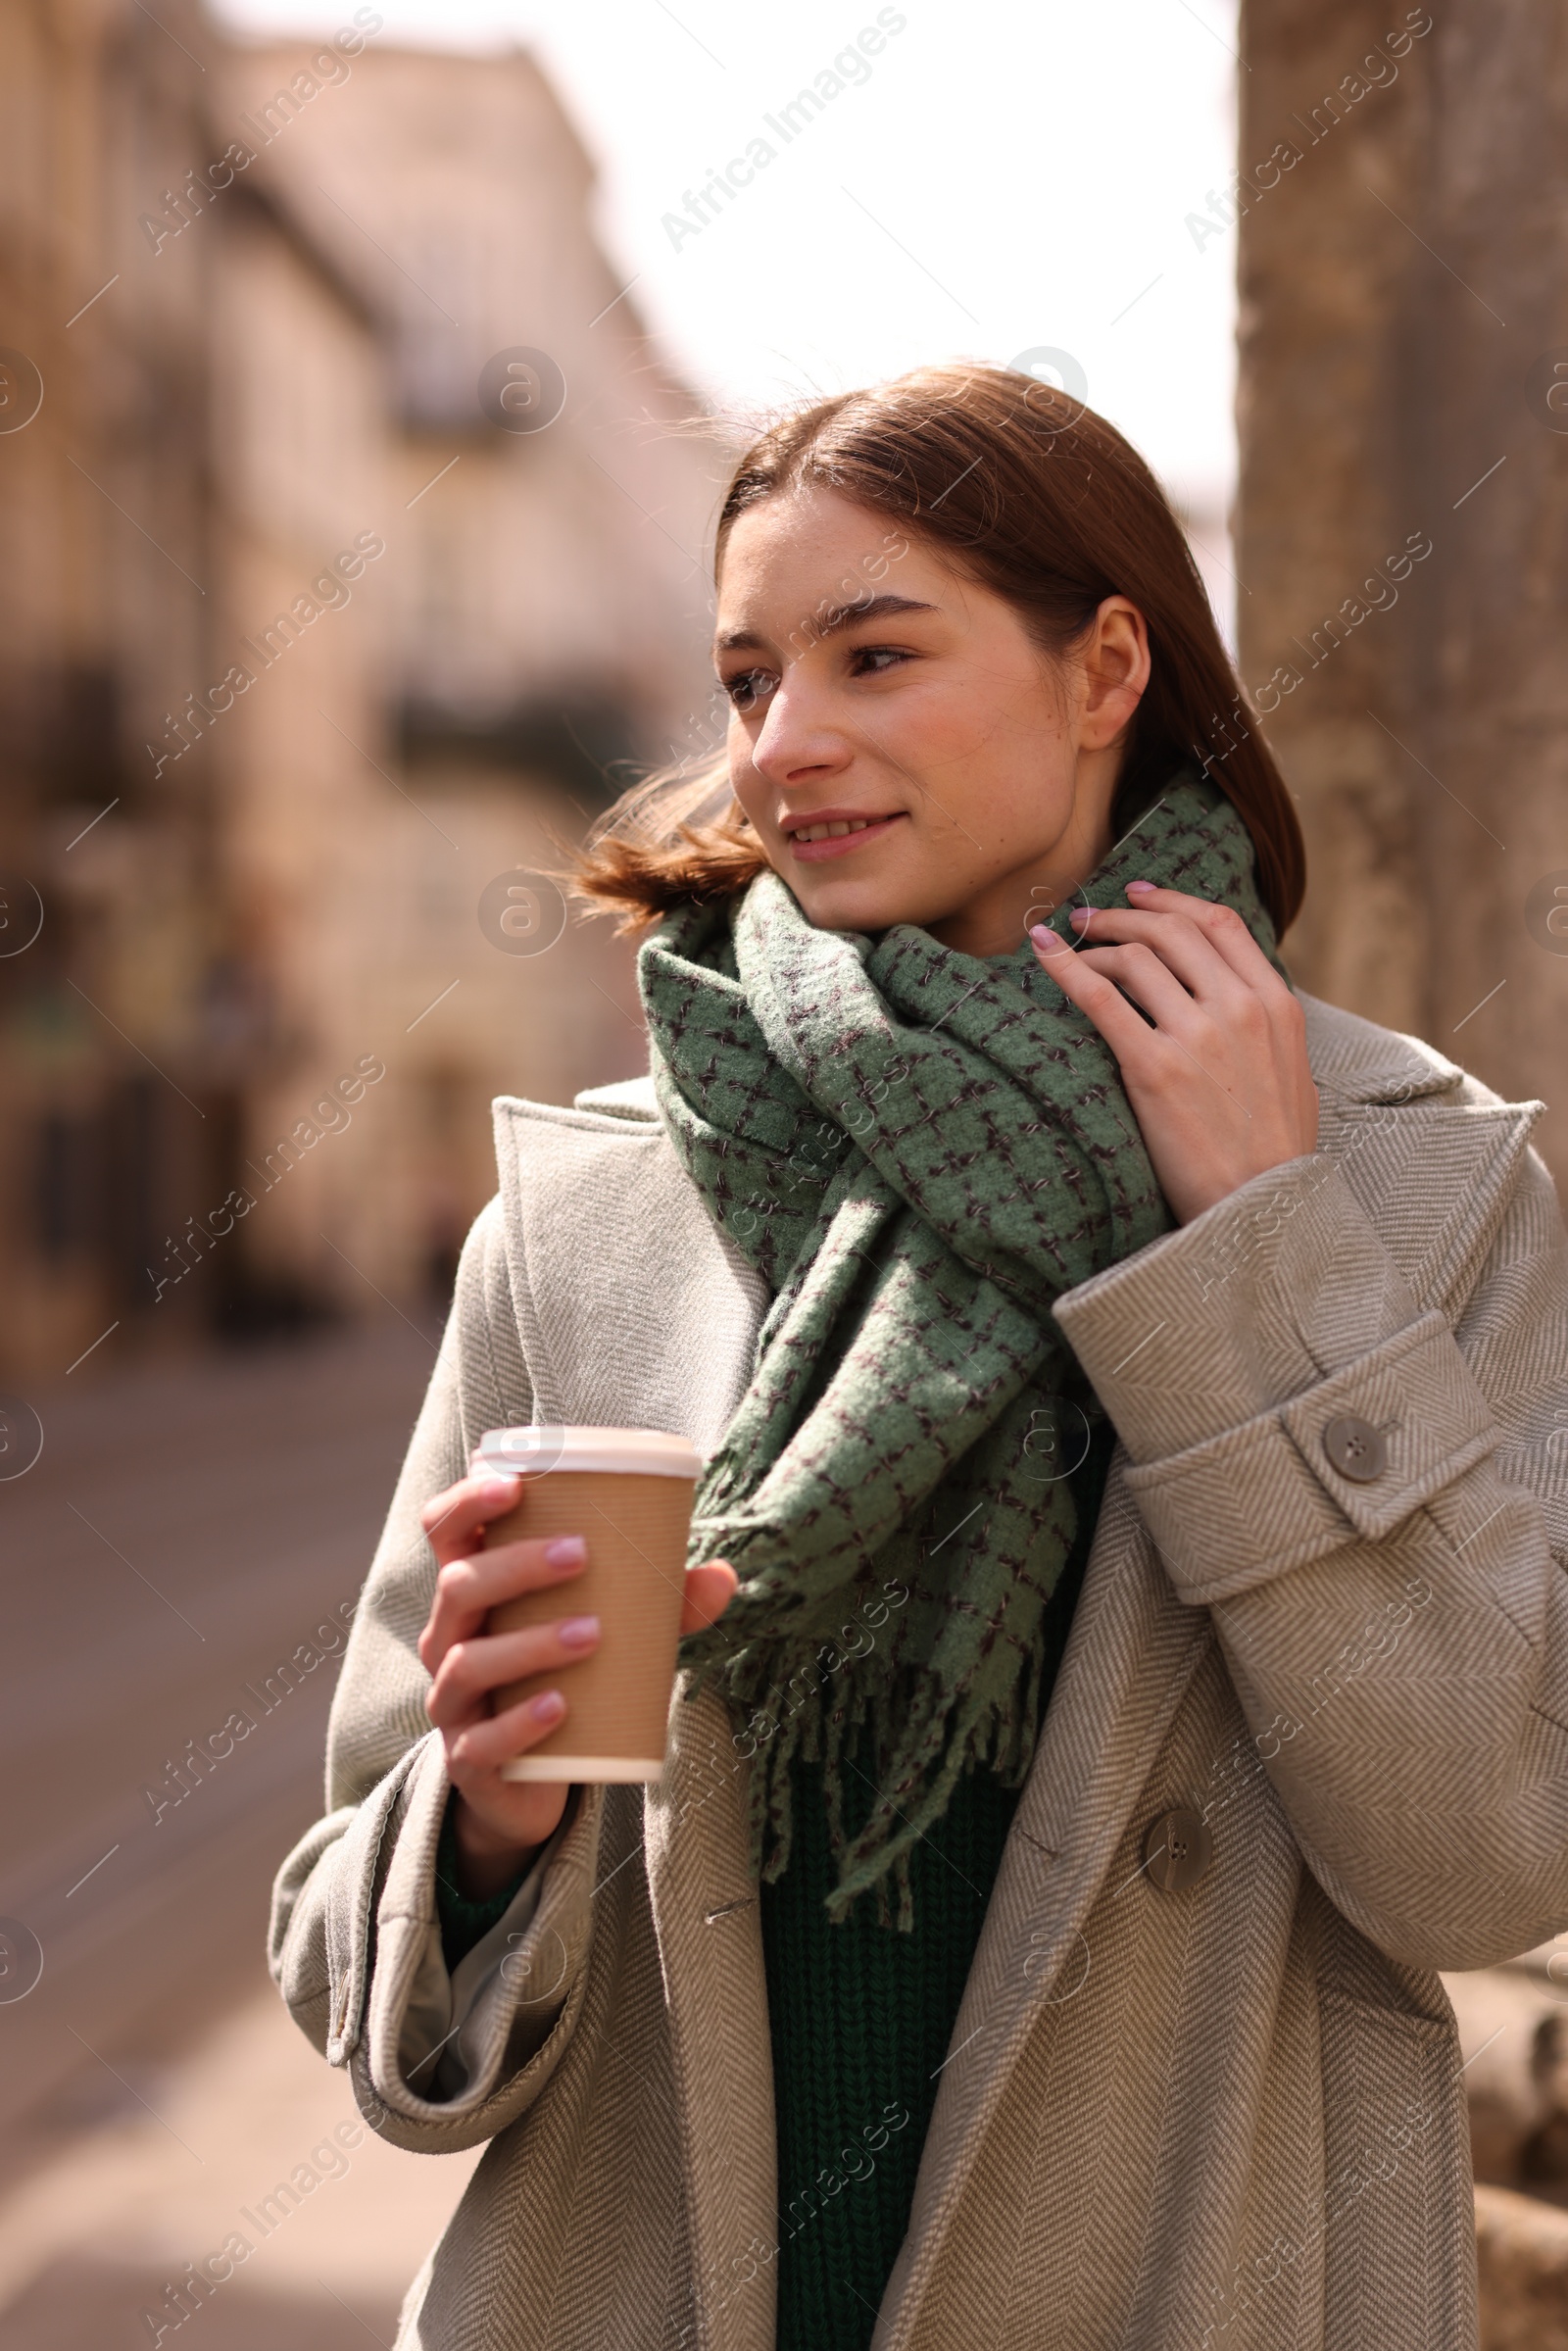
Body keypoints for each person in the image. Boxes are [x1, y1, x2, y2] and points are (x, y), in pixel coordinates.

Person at [270, 365, 1568, 2351]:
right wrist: (486, 1815)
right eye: (746, 681)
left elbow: (1482, 1859)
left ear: (1103, 665)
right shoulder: (596, 1212)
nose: (787, 745)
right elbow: (351, 1958)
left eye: (874, 655)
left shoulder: (1415, 1188)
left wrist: (1252, 1253)